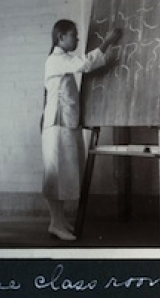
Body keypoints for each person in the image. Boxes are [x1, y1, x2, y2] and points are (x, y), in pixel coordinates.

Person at [41, 19, 122, 240]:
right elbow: (84, 64)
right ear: (60, 38)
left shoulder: (61, 59)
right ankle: (55, 223)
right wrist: (107, 43)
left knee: (64, 173)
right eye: (73, 35)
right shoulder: (56, 60)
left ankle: (59, 221)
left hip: (65, 124)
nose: (76, 39)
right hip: (57, 125)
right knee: (57, 174)